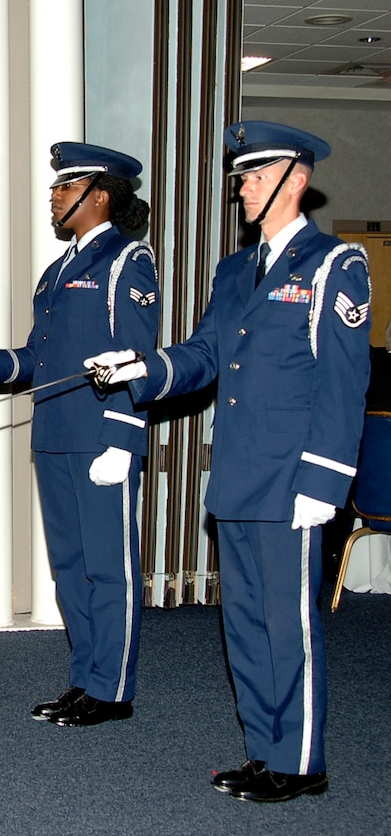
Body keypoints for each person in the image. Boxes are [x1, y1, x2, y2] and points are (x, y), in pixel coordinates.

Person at [86, 121, 370, 802]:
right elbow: (206, 353)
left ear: (295, 181)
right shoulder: (236, 270)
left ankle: (302, 761)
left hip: (293, 479)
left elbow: (343, 382)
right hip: (238, 475)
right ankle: (263, 749)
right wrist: (143, 367)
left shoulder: (334, 265)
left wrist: (325, 481)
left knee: (289, 624)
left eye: (254, 175)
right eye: (241, 176)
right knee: (242, 623)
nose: (240, 186)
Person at [0, 144, 160, 726]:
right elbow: (40, 360)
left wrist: (124, 439)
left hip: (101, 439)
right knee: (69, 567)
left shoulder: (127, 262)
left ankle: (113, 690)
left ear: (100, 195)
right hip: (56, 434)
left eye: (67, 187)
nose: (55, 195)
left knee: (107, 567)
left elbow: (137, 356)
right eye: (56, 187)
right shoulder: (58, 271)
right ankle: (86, 678)